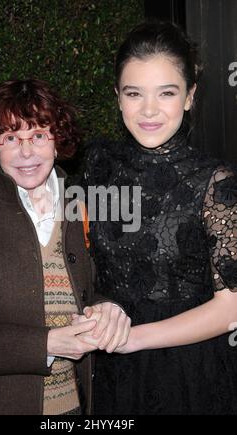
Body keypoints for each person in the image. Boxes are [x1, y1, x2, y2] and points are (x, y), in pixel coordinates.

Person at [0, 79, 131, 415]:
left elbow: (97, 288)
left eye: (38, 136)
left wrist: (108, 308)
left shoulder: (85, 206)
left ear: (57, 142)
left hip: (76, 408)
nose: (26, 153)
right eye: (11, 137)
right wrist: (44, 344)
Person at [74, 21, 237, 414]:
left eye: (166, 93)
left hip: (187, 371)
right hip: (104, 367)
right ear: (118, 97)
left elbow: (231, 307)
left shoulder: (217, 183)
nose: (149, 110)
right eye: (134, 93)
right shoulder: (96, 163)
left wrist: (134, 338)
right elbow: (73, 254)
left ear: (189, 97)